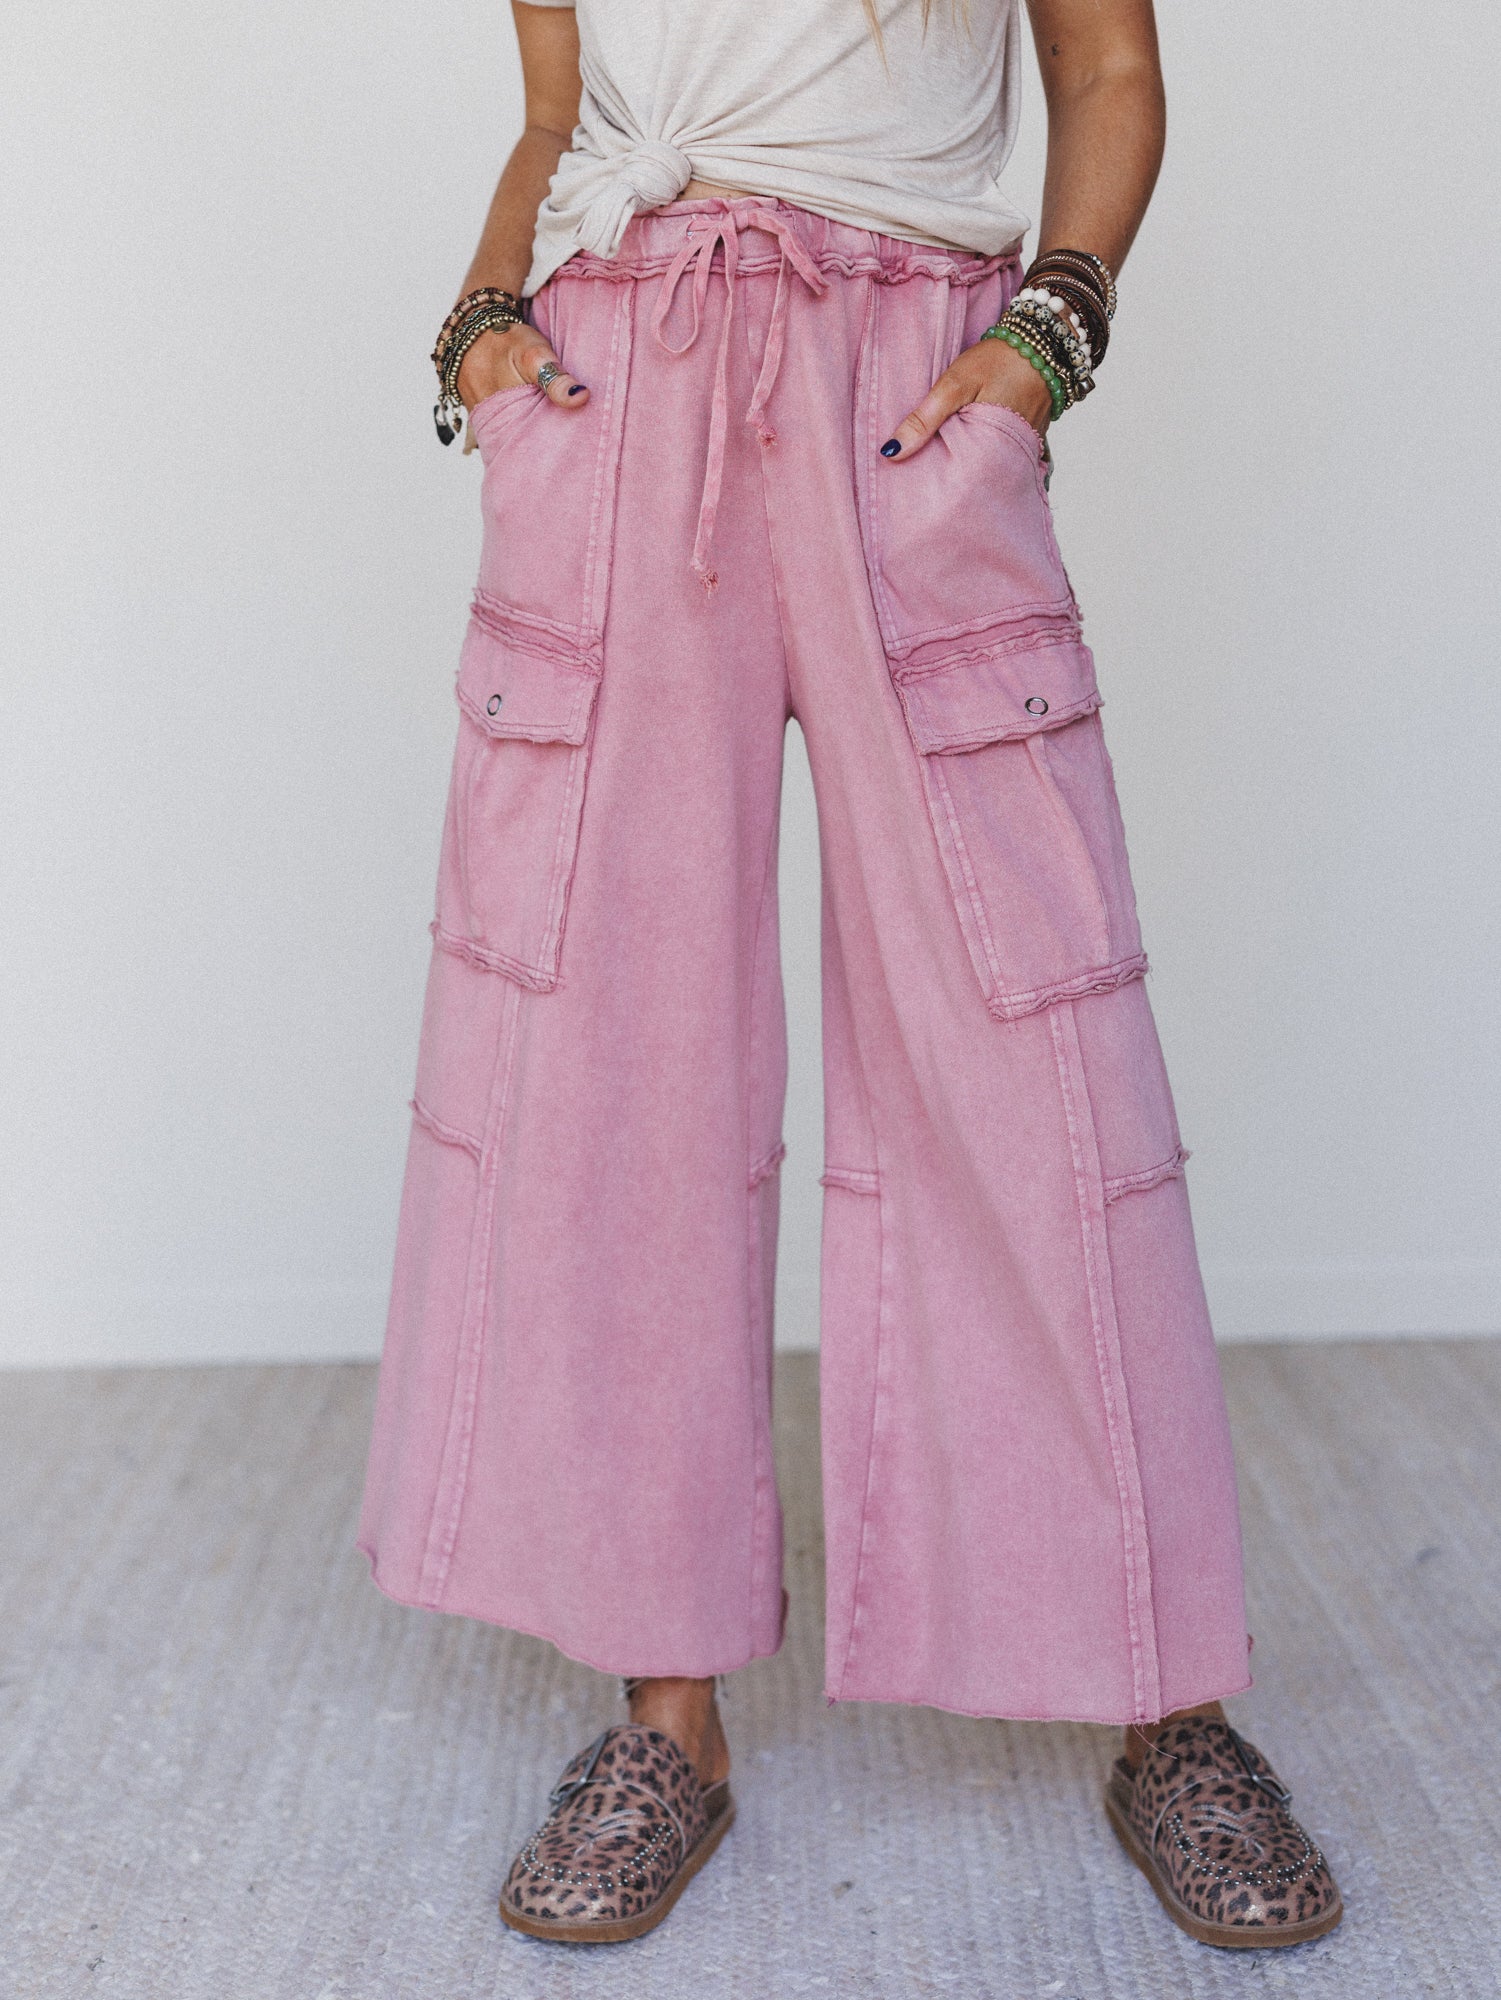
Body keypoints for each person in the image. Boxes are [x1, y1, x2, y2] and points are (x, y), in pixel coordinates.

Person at [358, 0, 1343, 1952]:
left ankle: (1164, 1687)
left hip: (912, 373)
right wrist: (479, 317)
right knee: (612, 1057)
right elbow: (559, 108)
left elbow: (1111, 72)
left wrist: (1042, 341)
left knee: (1029, 1047)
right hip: (619, 382)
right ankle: (664, 1699)